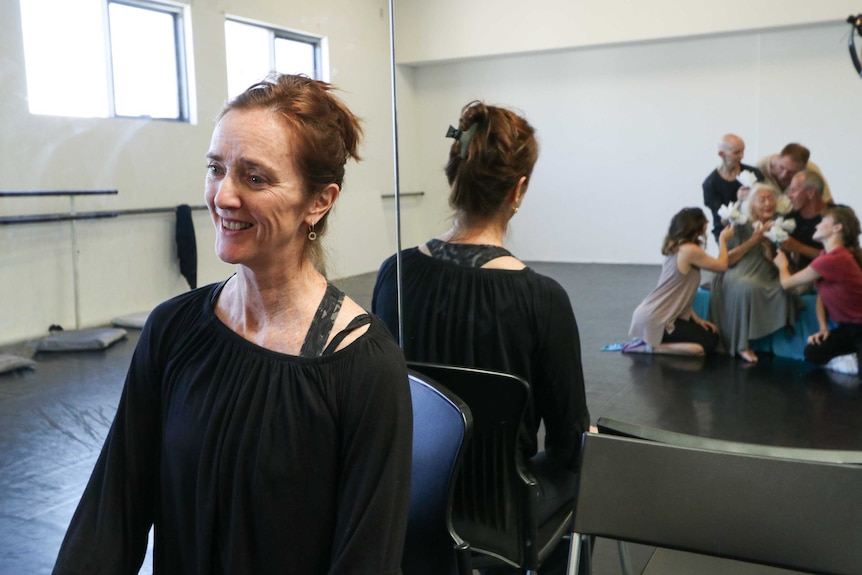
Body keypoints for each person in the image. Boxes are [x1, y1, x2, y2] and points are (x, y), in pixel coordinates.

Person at [53, 74, 412, 574]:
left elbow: (366, 563)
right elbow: (113, 512)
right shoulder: (173, 330)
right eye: (216, 169)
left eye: (255, 177)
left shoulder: (363, 368)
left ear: (318, 201)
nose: (223, 196)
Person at [372, 101, 589, 574]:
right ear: (520, 188)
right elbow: (571, 441)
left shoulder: (395, 275)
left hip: (413, 499)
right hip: (501, 516)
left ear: (455, 174)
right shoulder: (542, 299)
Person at [709, 183, 800, 362]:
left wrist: (770, 254)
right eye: (762, 200)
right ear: (752, 205)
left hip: (767, 270)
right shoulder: (740, 224)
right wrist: (753, 240)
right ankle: (742, 345)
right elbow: (727, 259)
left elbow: (784, 258)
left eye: (770, 199)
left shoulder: (780, 223)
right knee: (746, 286)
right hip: (739, 269)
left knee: (788, 289)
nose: (768, 203)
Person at [625, 207, 733, 356]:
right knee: (703, 347)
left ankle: (652, 343)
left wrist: (696, 319)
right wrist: (723, 240)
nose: (707, 222)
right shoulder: (689, 250)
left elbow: (681, 292)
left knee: (711, 337)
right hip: (655, 319)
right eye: (704, 220)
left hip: (652, 315)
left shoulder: (678, 248)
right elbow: (721, 266)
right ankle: (652, 347)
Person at [774, 205, 862, 371]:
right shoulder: (825, 257)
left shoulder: (835, 259)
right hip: (849, 329)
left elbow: (786, 283)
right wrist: (823, 327)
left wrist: (782, 264)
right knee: (813, 352)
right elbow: (822, 295)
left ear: (837, 228)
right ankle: (853, 357)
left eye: (822, 221)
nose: (816, 225)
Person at [702, 134, 763, 243]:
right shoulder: (711, 184)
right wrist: (739, 201)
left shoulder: (754, 173)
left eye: (742, 151)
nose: (741, 156)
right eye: (736, 153)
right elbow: (722, 218)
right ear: (721, 154)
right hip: (727, 233)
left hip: (754, 229)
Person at [781, 169, 831, 273]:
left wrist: (799, 247)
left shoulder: (838, 215)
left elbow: (841, 257)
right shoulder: (790, 219)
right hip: (803, 276)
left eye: (793, 190)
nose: (789, 195)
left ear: (810, 193)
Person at [756, 142, 833, 202]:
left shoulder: (811, 171)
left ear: (803, 169)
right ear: (779, 158)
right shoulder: (762, 166)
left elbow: (826, 201)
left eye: (791, 172)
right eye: (781, 168)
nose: (784, 175)